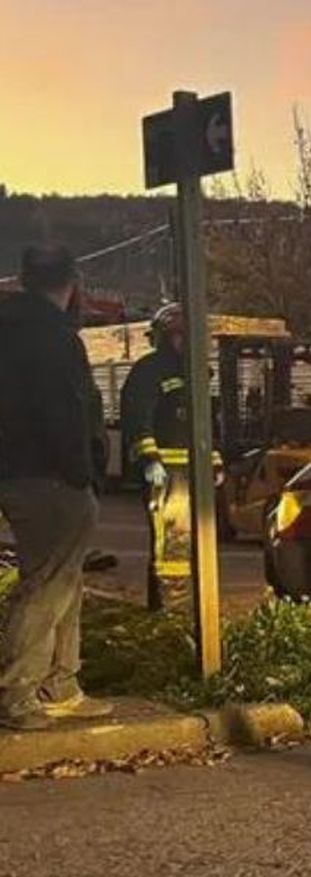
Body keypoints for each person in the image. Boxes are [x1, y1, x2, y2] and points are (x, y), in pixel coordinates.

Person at [0, 245, 111, 729]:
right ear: (71, 282)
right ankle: (19, 694)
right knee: (47, 585)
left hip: (13, 471)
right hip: (49, 475)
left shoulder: (7, 329)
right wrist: (80, 471)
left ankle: (61, 683)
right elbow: (67, 412)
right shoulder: (57, 338)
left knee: (64, 581)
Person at [120, 303, 191, 610]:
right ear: (165, 337)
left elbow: (200, 425)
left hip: (191, 476)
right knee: (168, 548)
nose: (185, 343)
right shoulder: (149, 371)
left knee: (187, 545)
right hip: (166, 475)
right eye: (179, 336)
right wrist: (150, 460)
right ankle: (167, 607)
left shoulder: (193, 374)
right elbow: (138, 417)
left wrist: (213, 462)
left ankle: (186, 605)